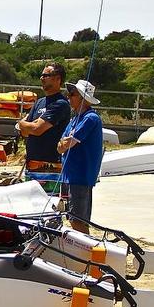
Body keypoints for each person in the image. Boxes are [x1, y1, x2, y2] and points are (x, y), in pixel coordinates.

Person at [56, 79, 104, 233]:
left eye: (72, 94)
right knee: (72, 218)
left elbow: (68, 143)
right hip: (70, 176)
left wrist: (65, 143)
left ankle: (86, 252)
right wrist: (64, 144)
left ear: (83, 98)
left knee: (78, 220)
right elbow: (59, 147)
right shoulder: (74, 120)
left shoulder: (90, 118)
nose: (68, 97)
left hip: (80, 177)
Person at [16, 63, 71, 175]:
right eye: (41, 75)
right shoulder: (39, 102)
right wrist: (29, 127)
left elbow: (36, 129)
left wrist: (21, 123)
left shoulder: (60, 104)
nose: (42, 78)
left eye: (46, 75)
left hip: (51, 166)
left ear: (58, 79)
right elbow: (25, 133)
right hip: (32, 164)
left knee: (47, 193)